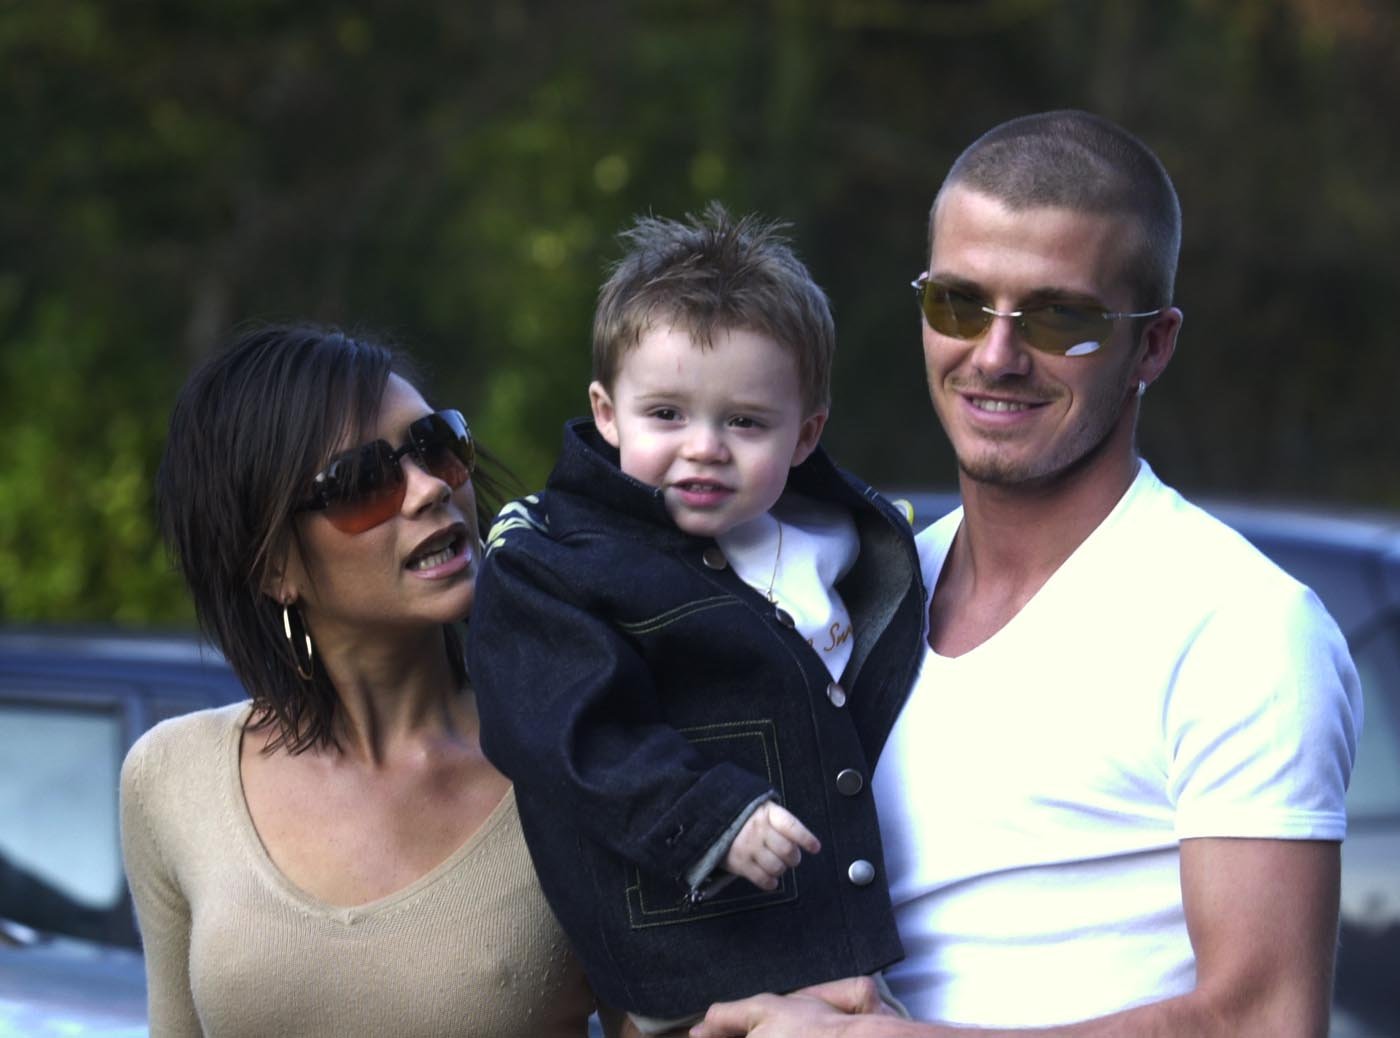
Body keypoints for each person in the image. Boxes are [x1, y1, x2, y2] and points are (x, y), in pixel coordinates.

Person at [692, 110, 1364, 1037]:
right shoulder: (861, 595)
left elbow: (1265, 1020)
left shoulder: (1240, 625)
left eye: (1060, 319)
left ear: (1155, 345)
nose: (995, 355)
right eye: (958, 304)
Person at [466, 205, 927, 1032]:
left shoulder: (842, 540)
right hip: (695, 980)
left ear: (806, 434)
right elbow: (564, 727)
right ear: (608, 414)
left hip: (845, 959)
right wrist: (710, 816)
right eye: (667, 415)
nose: (705, 446)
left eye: (745, 422)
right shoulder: (554, 561)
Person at [120, 324, 618, 1037]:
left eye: (436, 446)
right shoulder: (173, 777)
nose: (427, 490)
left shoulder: (580, 756)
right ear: (273, 569)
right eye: (360, 483)